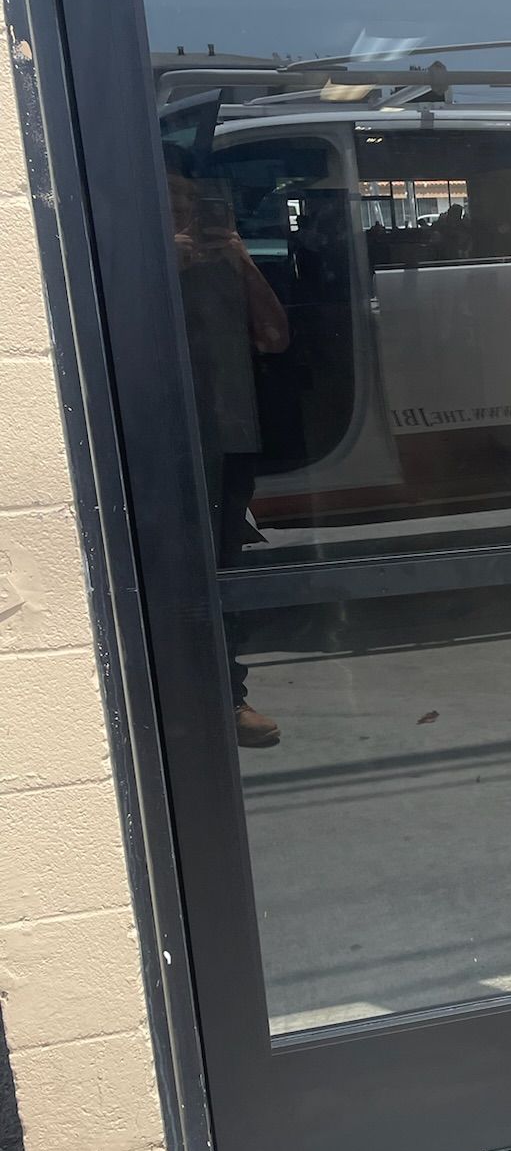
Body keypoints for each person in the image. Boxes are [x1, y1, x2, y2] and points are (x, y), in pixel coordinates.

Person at [164, 146, 290, 748]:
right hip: (152, 439)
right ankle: (165, 704)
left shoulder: (224, 264)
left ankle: (228, 698)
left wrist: (238, 258)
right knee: (159, 573)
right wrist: (164, 265)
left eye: (189, 200)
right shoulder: (122, 264)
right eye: (167, 199)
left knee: (221, 570)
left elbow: (274, 338)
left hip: (227, 438)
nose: (182, 210)